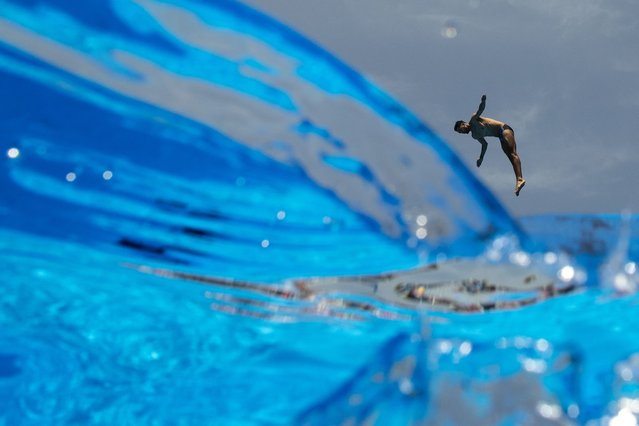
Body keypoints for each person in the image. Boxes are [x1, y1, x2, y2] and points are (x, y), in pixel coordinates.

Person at [454, 95, 526, 196]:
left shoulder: (474, 119)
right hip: (500, 137)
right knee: (510, 157)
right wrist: (481, 158)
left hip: (504, 130)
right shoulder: (475, 135)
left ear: (463, 124)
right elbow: (484, 145)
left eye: (460, 130)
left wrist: (483, 101)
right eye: (460, 133)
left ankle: (520, 178)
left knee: (513, 154)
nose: (462, 132)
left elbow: (480, 109)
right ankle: (519, 180)